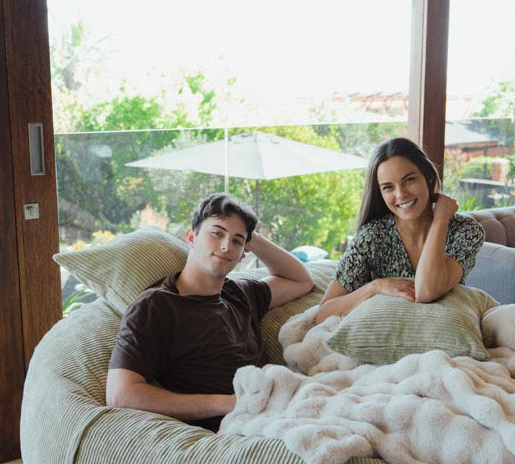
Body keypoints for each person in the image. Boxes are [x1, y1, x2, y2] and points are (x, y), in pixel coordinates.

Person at [106, 192, 314, 431]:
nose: (226, 246)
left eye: (236, 241)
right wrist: (231, 403)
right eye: (217, 233)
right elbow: (120, 395)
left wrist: (250, 237)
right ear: (191, 236)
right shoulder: (156, 306)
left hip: (284, 405)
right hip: (237, 425)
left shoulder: (239, 293)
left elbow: (301, 280)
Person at [316, 137, 484, 322]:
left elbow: (426, 292)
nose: (401, 194)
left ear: (427, 176)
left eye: (409, 180)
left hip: (445, 331)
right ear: (380, 193)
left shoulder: (466, 231)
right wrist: (375, 287)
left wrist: (440, 220)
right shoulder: (371, 237)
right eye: (388, 187)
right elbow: (323, 314)